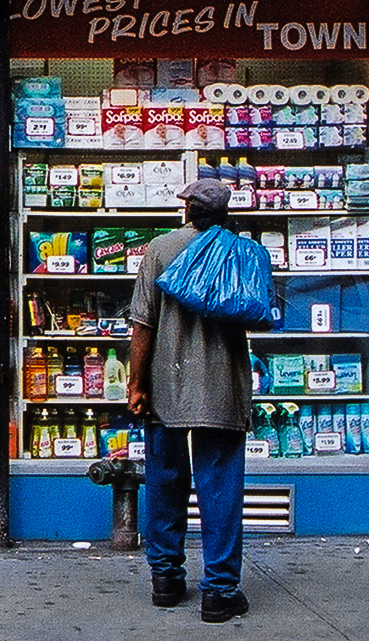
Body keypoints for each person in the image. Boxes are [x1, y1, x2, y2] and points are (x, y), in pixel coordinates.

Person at [127, 177, 253, 624]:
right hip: (223, 390)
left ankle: (165, 579)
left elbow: (142, 326)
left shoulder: (160, 250)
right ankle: (219, 592)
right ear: (224, 213)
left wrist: (136, 384)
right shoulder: (239, 250)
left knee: (165, 482)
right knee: (220, 489)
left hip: (168, 389)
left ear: (187, 210)